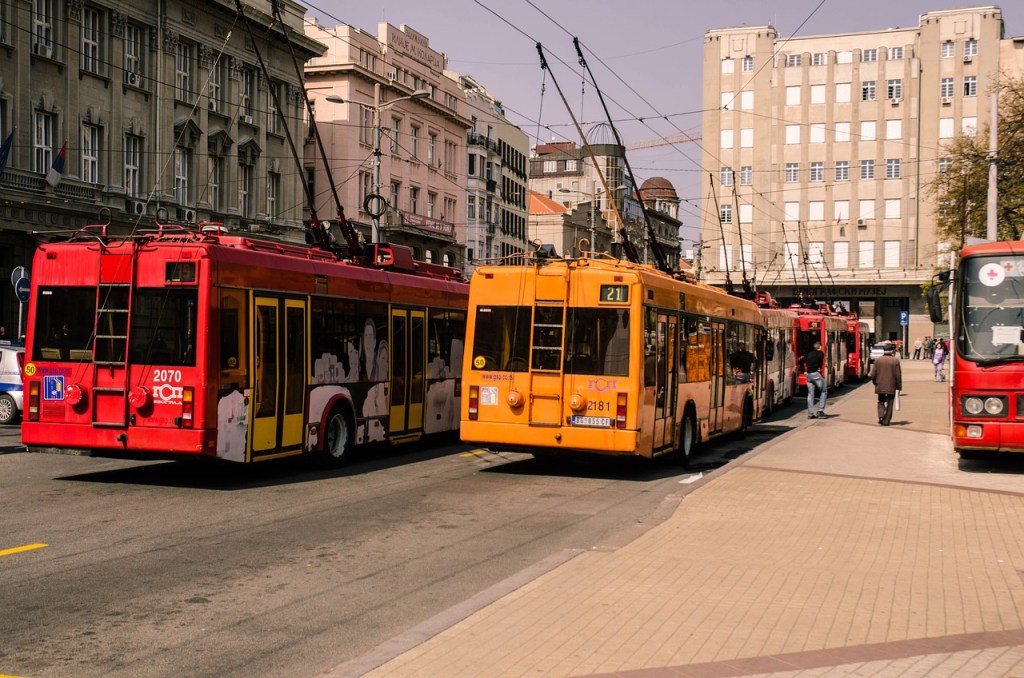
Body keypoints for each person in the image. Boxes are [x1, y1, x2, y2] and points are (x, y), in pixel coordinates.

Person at [869, 343, 902, 426]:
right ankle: (886, 420)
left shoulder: (878, 360)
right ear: (891, 351)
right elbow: (898, 375)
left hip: (880, 385)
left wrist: (875, 382)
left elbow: (873, 374)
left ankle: (880, 416)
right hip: (891, 385)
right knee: (890, 403)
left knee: (881, 401)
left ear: (883, 350)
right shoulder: (895, 361)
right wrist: (899, 387)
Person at [802, 340, 827, 419]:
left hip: (809, 375)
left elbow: (804, 360)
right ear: (820, 346)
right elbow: (820, 362)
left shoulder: (809, 354)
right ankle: (820, 411)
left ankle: (810, 413)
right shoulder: (820, 354)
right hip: (815, 374)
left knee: (810, 394)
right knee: (824, 391)